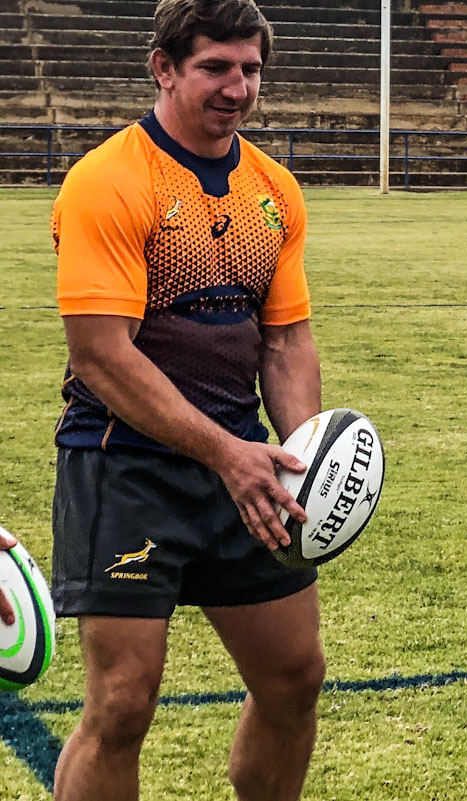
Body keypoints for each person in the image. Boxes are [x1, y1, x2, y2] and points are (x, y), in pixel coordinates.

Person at [48, 0, 329, 798]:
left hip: (244, 462)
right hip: (125, 463)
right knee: (122, 703)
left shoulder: (273, 189)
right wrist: (225, 453)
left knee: (294, 677)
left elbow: (284, 341)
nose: (237, 88)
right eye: (215, 67)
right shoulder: (111, 179)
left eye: (251, 70)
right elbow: (101, 354)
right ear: (164, 67)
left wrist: (305, 452)